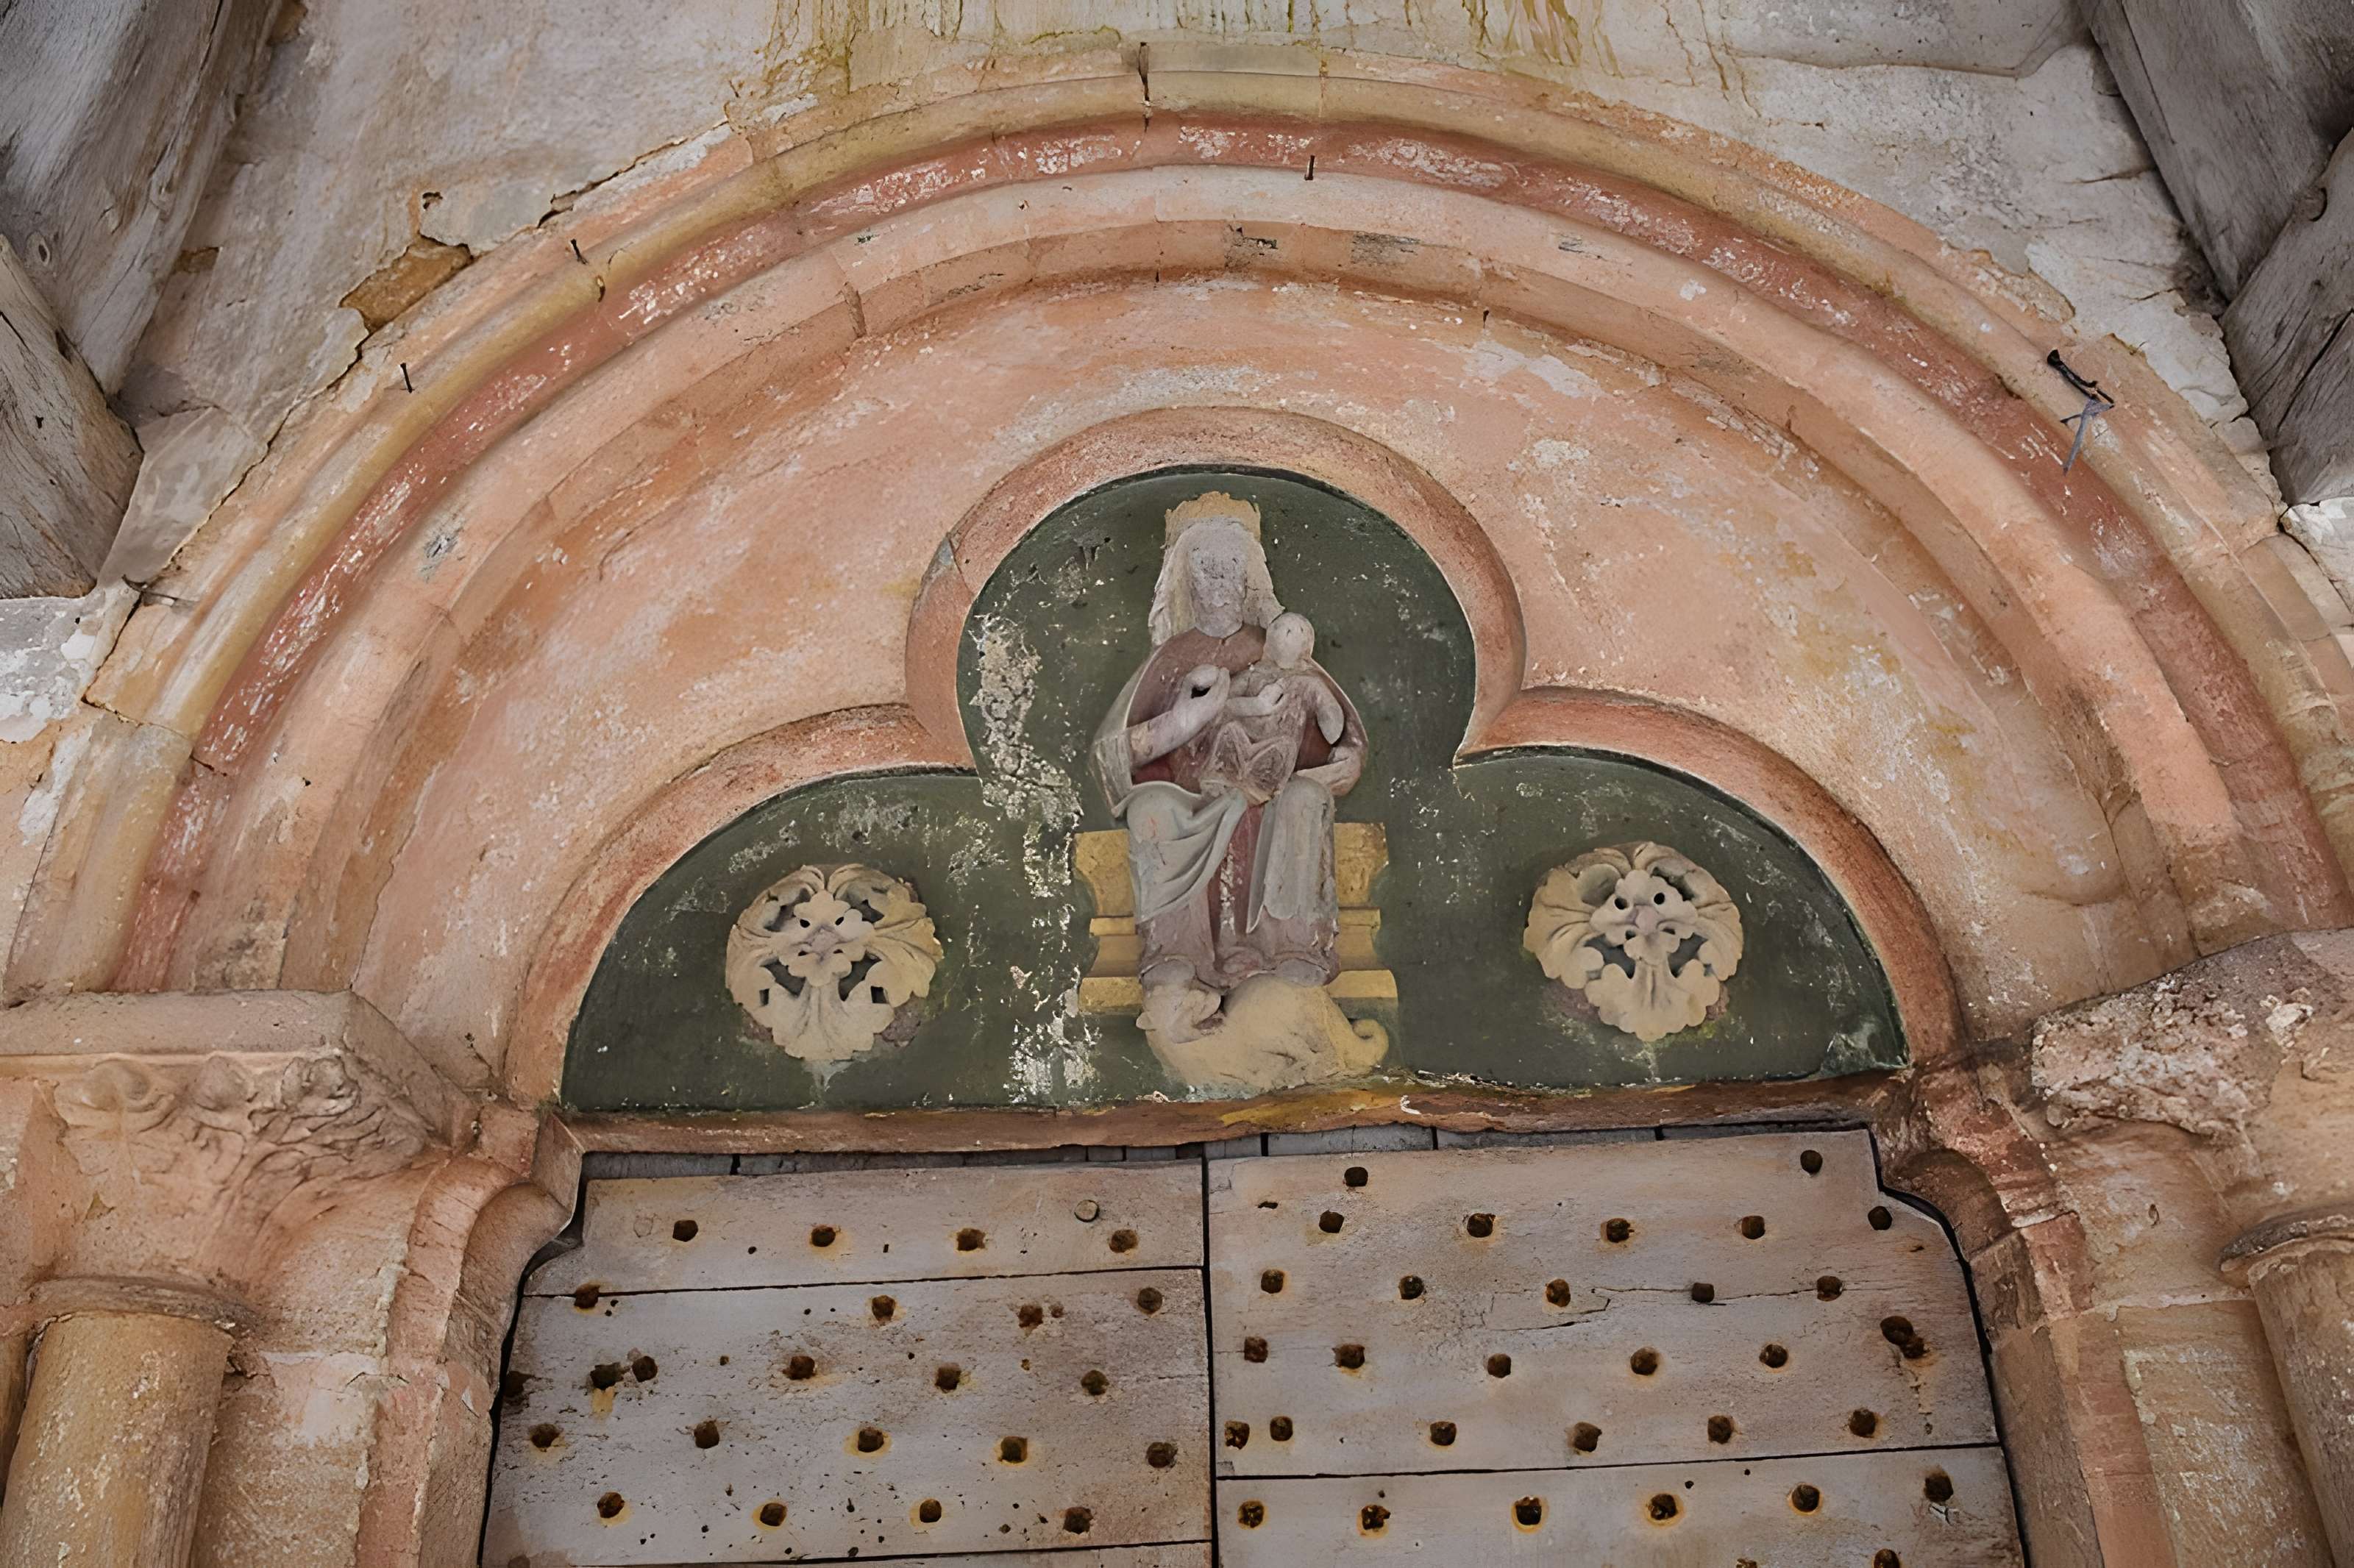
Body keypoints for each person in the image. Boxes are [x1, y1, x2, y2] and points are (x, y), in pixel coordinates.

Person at [1091, 496, 1366, 1043]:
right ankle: (1176, 955)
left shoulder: (1277, 651)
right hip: (1193, 796)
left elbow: (1339, 734)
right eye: (1206, 569)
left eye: (1230, 568)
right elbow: (1113, 758)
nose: (1218, 582)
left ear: (1248, 579)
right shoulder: (1171, 658)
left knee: (1304, 799)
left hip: (1268, 789)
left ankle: (1291, 949)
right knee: (1152, 808)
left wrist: (1346, 761)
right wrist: (1185, 719)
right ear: (1185, 580)